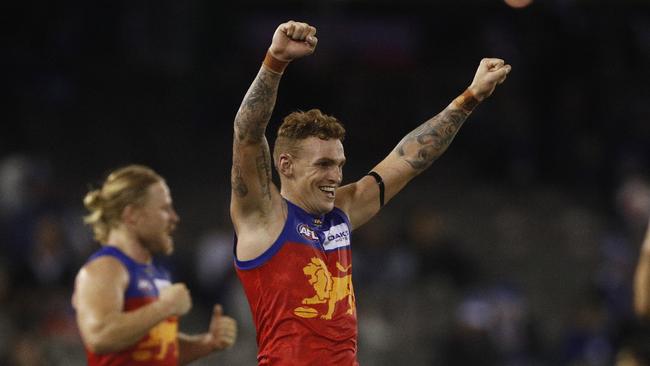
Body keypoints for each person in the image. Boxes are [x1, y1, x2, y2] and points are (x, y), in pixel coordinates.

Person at [230, 20, 511, 365]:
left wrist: (468, 99)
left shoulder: (341, 213)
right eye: (322, 165)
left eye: (339, 163)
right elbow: (247, 134)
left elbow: (407, 160)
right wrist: (275, 62)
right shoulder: (264, 216)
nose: (335, 175)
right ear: (286, 165)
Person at [72, 165, 237, 365]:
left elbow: (156, 349)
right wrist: (164, 307)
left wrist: (206, 343)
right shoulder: (105, 267)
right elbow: (99, 335)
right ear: (132, 215)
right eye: (164, 208)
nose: (174, 217)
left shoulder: (155, 271)